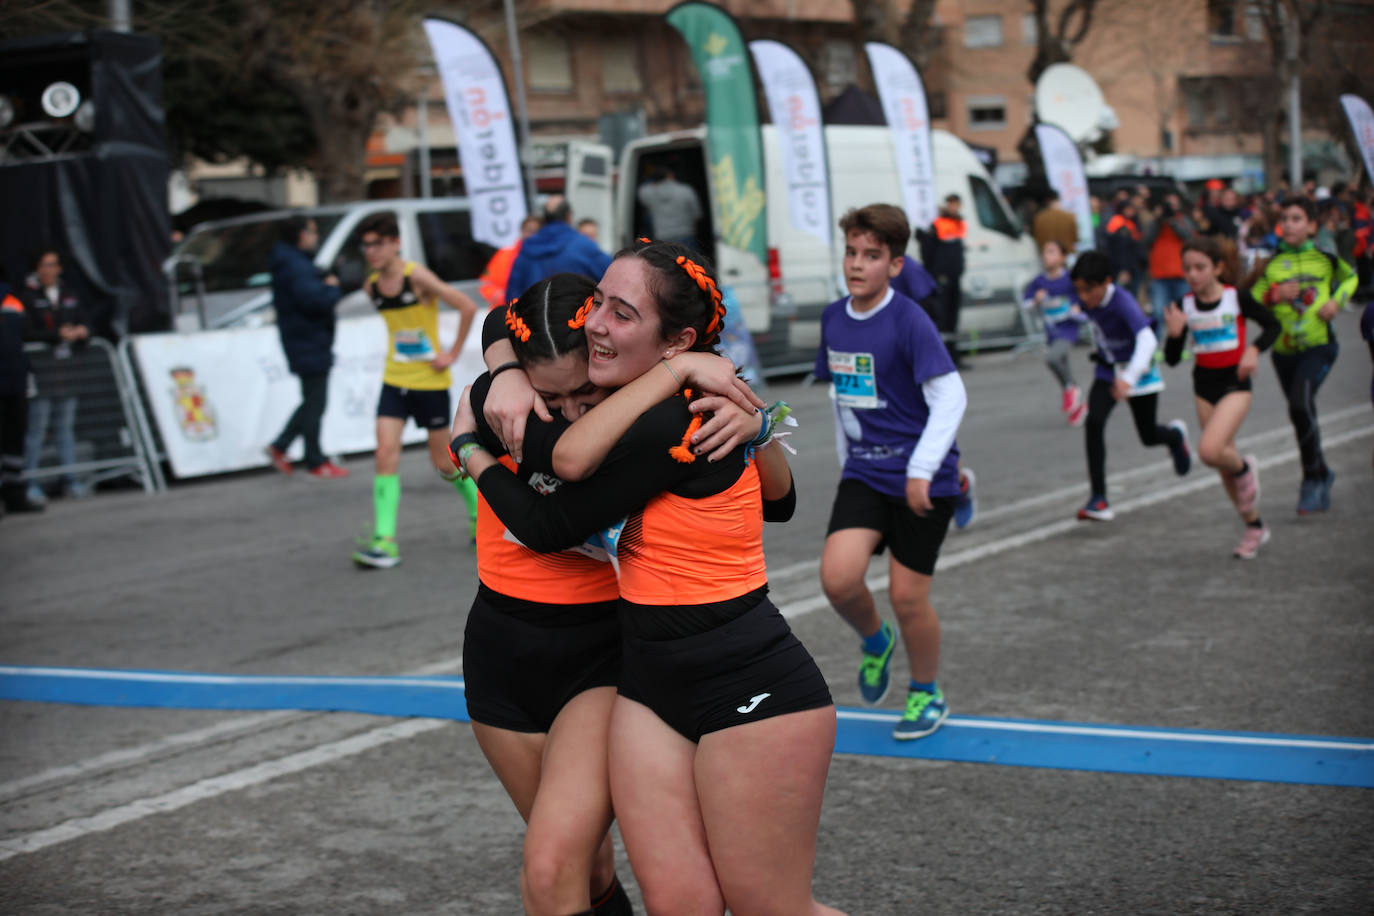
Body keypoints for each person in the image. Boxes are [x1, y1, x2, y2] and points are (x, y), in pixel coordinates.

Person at [454, 240, 843, 916]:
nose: (596, 324)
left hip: (741, 675)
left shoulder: (674, 410)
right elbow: (511, 316)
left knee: (770, 907)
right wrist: (502, 369)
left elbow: (564, 474)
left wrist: (473, 432)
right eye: (598, 304)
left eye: (621, 312)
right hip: (646, 683)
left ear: (677, 341)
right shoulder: (624, 391)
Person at [817, 204, 967, 741]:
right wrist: (847, 465)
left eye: (872, 255)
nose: (858, 264)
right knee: (838, 579)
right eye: (851, 253)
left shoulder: (909, 320)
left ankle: (927, 692)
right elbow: (842, 398)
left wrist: (923, 469)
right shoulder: (833, 318)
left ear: (895, 266)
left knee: (907, 596)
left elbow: (951, 395)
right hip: (865, 472)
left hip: (921, 478)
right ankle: (876, 640)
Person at [351, 213, 480, 569]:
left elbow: (467, 306)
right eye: (366, 246)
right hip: (394, 380)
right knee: (384, 453)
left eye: (378, 244)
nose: (371, 252)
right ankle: (384, 540)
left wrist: (451, 354)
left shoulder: (417, 277)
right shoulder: (372, 286)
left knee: (443, 463)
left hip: (429, 383)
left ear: (396, 243)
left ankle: (479, 513)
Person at [1163, 237, 1281, 559]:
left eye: (1200, 267)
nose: (1192, 274)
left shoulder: (1236, 297)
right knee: (1220, 463)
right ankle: (1254, 526)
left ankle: (1244, 467)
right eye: (1187, 268)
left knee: (1210, 451)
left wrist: (1253, 351)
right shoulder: (1184, 305)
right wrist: (1174, 335)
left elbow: (1272, 326)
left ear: (1217, 268)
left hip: (1235, 384)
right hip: (1204, 387)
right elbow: (1172, 359)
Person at [1249, 195, 1357, 514]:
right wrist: (1274, 294)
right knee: (1301, 412)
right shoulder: (1271, 264)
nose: (1289, 225)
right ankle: (1321, 472)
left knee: (1300, 404)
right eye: (1285, 219)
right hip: (1284, 353)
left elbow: (1351, 278)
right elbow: (1252, 300)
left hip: (1319, 347)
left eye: (1297, 219)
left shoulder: (1324, 258)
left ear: (1311, 226)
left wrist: (1336, 301)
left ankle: (1311, 479)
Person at [1070, 250, 1191, 521]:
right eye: (1079, 290)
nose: (1084, 296)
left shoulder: (1123, 302)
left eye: (1089, 290)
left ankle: (1175, 437)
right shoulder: (1085, 297)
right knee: (1094, 423)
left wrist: (1129, 378)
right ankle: (1098, 498)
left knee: (1148, 435)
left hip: (1138, 369)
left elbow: (1147, 340)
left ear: (1106, 282)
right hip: (1107, 370)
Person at [262, 216, 348, 479]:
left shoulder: (293, 262)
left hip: (304, 339)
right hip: (308, 340)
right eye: (312, 231)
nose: (315, 237)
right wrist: (332, 288)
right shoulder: (295, 264)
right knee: (315, 402)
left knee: (312, 400)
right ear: (301, 235)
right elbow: (313, 300)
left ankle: (282, 447)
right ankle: (313, 459)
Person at [22, 249, 90, 503]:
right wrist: (56, 335)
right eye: (44, 265)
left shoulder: (69, 294)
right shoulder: (27, 296)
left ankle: (70, 479)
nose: (48, 270)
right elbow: (25, 332)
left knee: (65, 428)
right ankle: (29, 482)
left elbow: (86, 321)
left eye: (53, 264)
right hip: (41, 373)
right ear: (37, 269)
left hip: (66, 373)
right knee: (36, 429)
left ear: (59, 268)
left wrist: (83, 331)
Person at [1022, 240, 1089, 426]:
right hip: (1051, 330)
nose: (1046, 256)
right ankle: (1078, 403)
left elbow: (1084, 296)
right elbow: (1026, 303)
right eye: (1044, 252)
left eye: (1051, 252)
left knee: (1052, 358)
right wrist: (1035, 300)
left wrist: (1077, 306)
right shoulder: (1039, 281)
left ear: (1062, 257)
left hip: (1068, 328)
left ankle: (1071, 390)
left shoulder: (1070, 279)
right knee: (1062, 365)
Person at [507, 197, 614, 303]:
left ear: (545, 218)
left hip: (532, 312)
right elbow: (613, 276)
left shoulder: (528, 247)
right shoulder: (583, 246)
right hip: (575, 312)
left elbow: (512, 293)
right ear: (568, 216)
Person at [1, 265, 40, 516]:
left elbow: (28, 334)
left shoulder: (14, 301)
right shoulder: (13, 300)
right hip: (14, 379)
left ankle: (15, 495)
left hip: (16, 380)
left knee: (15, 441)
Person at [917, 193, 968, 368]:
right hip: (942, 278)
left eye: (956, 204)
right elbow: (928, 251)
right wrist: (935, 273)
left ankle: (954, 357)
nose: (954, 207)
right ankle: (944, 358)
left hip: (955, 277)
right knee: (943, 319)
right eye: (951, 204)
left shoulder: (959, 223)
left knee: (953, 319)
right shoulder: (938, 224)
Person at [1143, 193, 1198, 336]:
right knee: (1158, 312)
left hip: (1181, 273)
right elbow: (1146, 240)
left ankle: (1182, 341)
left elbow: (1190, 237)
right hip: (1159, 275)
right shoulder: (1155, 222)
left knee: (1184, 311)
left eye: (1174, 204)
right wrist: (1158, 221)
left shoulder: (1183, 220)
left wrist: (1173, 222)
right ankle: (1156, 343)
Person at [478, 214, 542, 309]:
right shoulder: (503, 254)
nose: (532, 235)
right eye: (529, 230)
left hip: (537, 311)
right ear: (522, 231)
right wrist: (502, 297)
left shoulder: (547, 258)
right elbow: (486, 283)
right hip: (505, 311)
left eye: (536, 232)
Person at [635, 165, 702, 248]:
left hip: (662, 237)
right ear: (670, 176)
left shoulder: (648, 192)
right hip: (685, 234)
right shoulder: (686, 190)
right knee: (689, 256)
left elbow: (641, 192)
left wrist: (653, 181)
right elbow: (697, 214)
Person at [1105, 198, 1144, 299]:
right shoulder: (1119, 224)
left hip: (1133, 266)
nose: (1131, 211)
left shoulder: (1131, 223)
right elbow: (1121, 250)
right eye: (1128, 209)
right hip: (1122, 268)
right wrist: (1124, 269)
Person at [1032, 189, 1079, 255]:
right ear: (1058, 199)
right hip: (1066, 254)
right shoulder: (1070, 216)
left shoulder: (1039, 218)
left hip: (1047, 256)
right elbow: (1075, 238)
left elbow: (1037, 240)